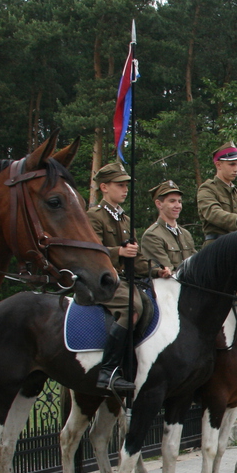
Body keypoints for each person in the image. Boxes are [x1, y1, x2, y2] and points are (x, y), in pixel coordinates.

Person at [87, 162, 152, 394]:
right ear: (104, 187)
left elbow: (137, 257)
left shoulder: (125, 219)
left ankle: (133, 361)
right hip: (102, 279)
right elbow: (92, 251)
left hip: (124, 279)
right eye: (120, 185)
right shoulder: (95, 216)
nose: (125, 190)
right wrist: (119, 253)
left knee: (149, 303)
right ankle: (109, 371)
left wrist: (159, 270)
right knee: (131, 307)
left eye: (126, 186)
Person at [196, 142, 237, 245]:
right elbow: (213, 213)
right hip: (216, 246)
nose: (236, 169)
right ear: (218, 165)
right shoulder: (207, 188)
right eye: (231, 164)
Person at [139, 180, 196, 278]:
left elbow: (196, 264)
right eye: (172, 201)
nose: (178, 206)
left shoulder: (185, 234)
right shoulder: (152, 235)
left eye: (179, 201)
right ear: (159, 204)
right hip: (168, 289)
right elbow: (168, 273)